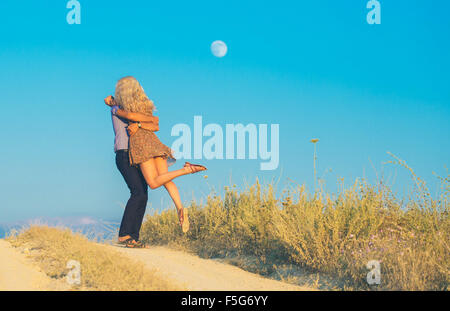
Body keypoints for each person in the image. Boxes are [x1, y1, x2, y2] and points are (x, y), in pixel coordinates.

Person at [105, 76, 207, 241]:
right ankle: (179, 207)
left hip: (138, 149)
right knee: (155, 185)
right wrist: (145, 121)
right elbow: (155, 123)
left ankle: (187, 169)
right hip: (152, 145)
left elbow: (137, 117)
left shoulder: (118, 107)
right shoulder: (141, 106)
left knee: (149, 185)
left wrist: (137, 124)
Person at [106, 95, 159, 248]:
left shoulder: (135, 116)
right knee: (137, 192)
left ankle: (133, 237)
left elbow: (155, 123)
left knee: (143, 193)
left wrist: (143, 123)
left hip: (136, 155)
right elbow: (135, 116)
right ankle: (124, 235)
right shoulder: (117, 109)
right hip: (124, 153)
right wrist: (113, 101)